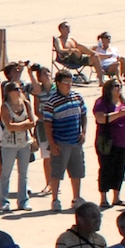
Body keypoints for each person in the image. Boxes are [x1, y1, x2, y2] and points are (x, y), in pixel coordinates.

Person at [40, 69, 89, 210]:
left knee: (77, 172)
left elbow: (84, 115)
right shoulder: (52, 102)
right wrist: (52, 144)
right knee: (57, 172)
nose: (68, 85)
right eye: (65, 82)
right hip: (60, 142)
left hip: (76, 141)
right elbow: (47, 125)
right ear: (58, 83)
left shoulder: (77, 97)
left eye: (70, 82)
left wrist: (83, 132)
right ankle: (55, 200)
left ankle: (76, 197)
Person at [94, 78, 125, 208]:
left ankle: (116, 197)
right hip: (107, 142)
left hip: (122, 141)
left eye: (120, 86)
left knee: (120, 169)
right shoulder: (101, 103)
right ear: (109, 89)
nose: (119, 88)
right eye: (116, 86)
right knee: (106, 168)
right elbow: (100, 119)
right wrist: (118, 114)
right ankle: (103, 198)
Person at [0, 82, 38, 210]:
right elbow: (9, 126)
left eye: (19, 89)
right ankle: (4, 201)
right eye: (15, 89)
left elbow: (33, 122)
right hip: (9, 144)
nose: (18, 91)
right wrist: (24, 125)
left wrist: (19, 125)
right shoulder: (5, 107)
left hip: (24, 143)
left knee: (23, 174)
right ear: (8, 92)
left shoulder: (26, 104)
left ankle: (23, 201)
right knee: (6, 174)